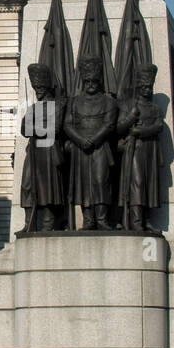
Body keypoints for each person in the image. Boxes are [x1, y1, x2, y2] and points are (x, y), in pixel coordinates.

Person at [65, 57, 118, 229]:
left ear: (99, 80)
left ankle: (102, 219)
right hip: (80, 147)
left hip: (100, 147)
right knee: (83, 183)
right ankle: (88, 219)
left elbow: (109, 124)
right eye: (87, 81)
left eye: (94, 81)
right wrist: (80, 140)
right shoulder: (74, 101)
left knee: (101, 181)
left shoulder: (108, 101)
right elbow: (67, 124)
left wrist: (94, 140)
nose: (90, 84)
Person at [116, 63, 164, 231]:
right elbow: (119, 127)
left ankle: (145, 219)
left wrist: (140, 130)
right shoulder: (129, 106)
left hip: (149, 149)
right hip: (134, 149)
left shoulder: (155, 108)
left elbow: (159, 126)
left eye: (149, 87)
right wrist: (130, 118)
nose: (146, 89)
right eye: (143, 86)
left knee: (149, 184)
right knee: (138, 182)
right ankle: (135, 221)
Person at [20, 64, 67, 233]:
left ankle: (48, 223)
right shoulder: (33, 108)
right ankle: (28, 222)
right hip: (33, 151)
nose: (37, 90)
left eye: (40, 87)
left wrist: (35, 128)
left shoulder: (58, 105)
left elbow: (55, 129)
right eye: (35, 87)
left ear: (47, 86)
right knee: (27, 185)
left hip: (48, 151)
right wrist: (39, 128)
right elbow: (24, 129)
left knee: (48, 188)